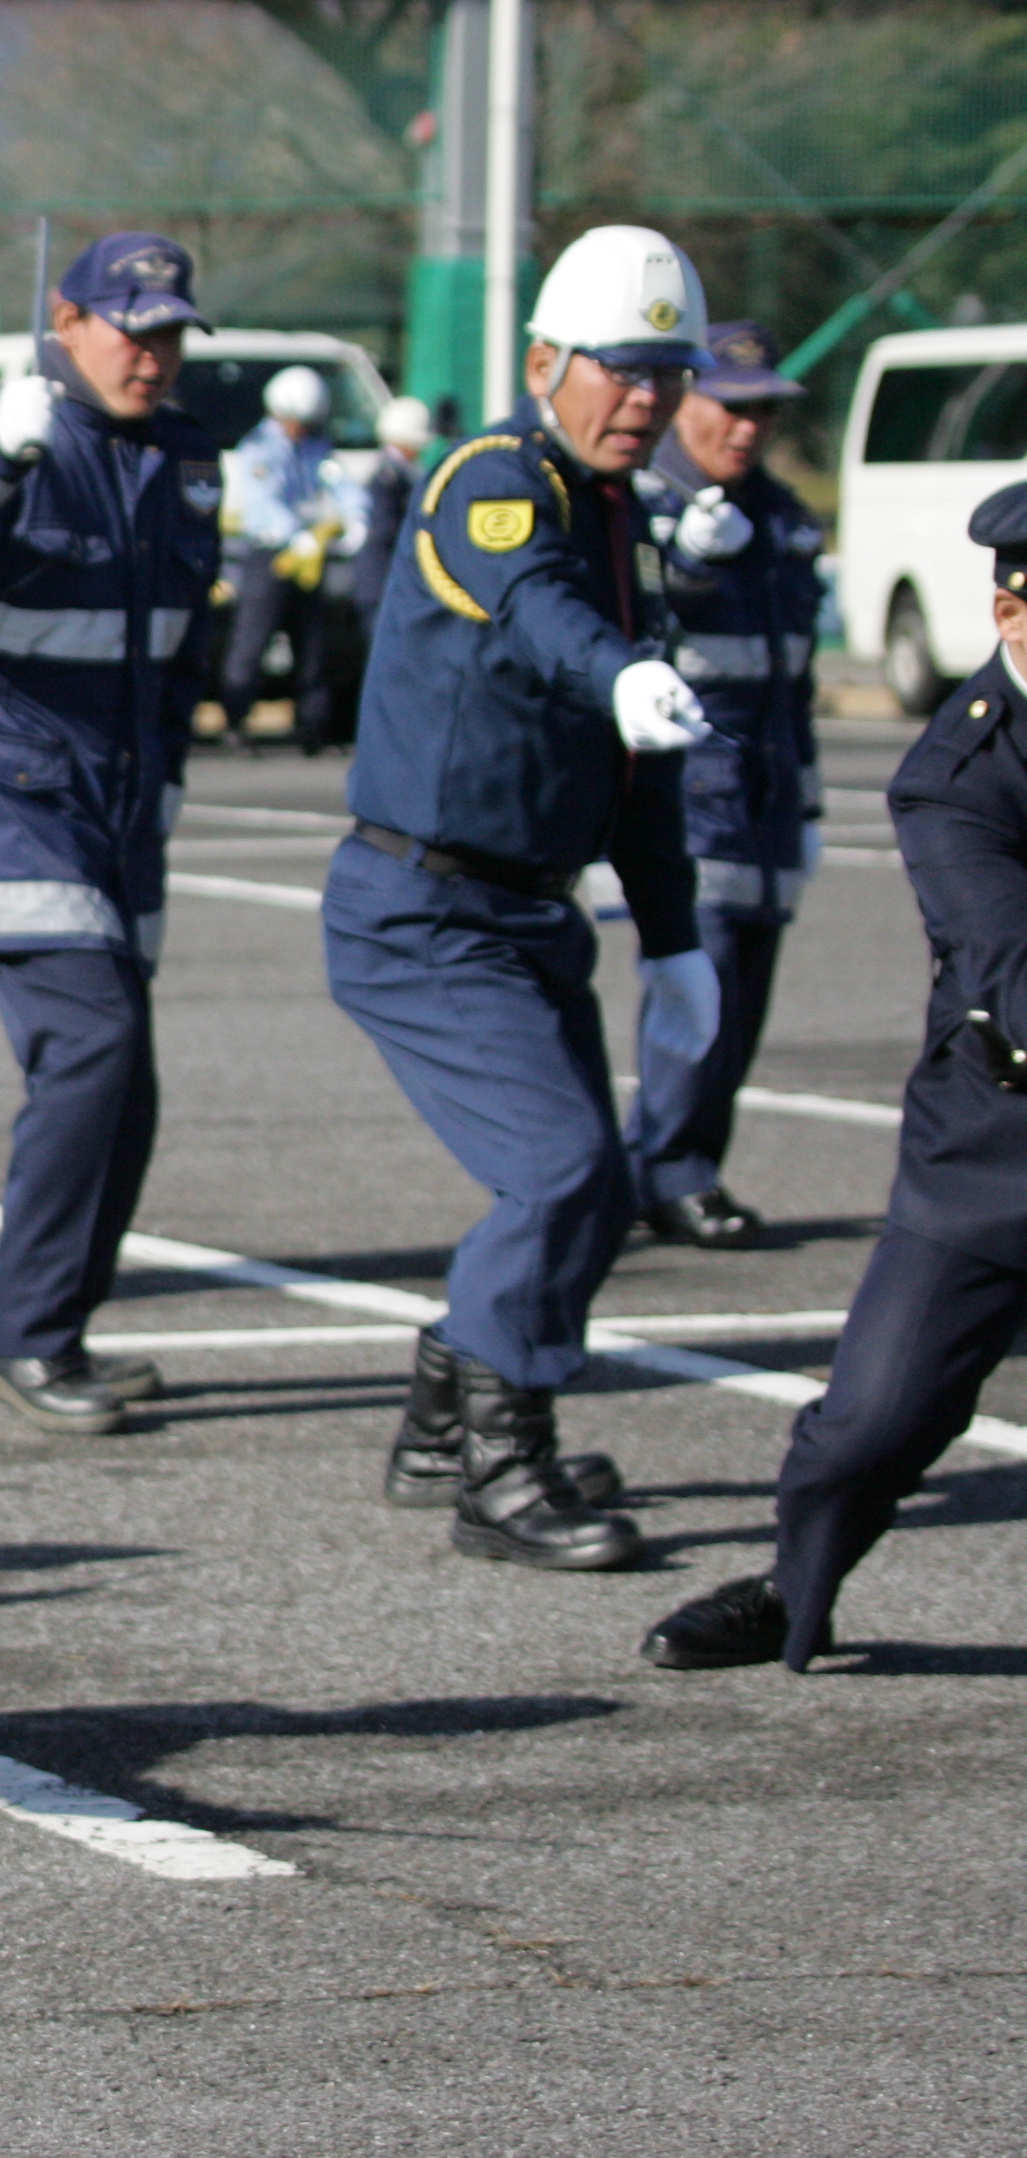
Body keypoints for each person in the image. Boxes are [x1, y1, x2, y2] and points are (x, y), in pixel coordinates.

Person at [324, 224, 721, 1574]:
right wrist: (615, 670)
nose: (648, 398)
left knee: (594, 1189)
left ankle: (452, 1403)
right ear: (546, 361)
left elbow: (643, 759)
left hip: (528, 910)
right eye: (621, 368)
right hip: (422, 907)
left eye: (668, 372)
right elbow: (532, 602)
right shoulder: (493, 481)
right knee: (560, 1170)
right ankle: (500, 1466)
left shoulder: (620, 520)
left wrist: (674, 943)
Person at [642, 479, 1027, 1671]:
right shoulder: (956, 775)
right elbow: (1011, 968)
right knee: (873, 1421)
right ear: (1017, 617)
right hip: (998, 1145)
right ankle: (792, 1586)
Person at [0, 233, 223, 1438]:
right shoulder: (2, 436)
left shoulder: (182, 457)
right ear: (62, 319)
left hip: (114, 807)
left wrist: (162, 788)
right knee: (94, 1040)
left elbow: (170, 654)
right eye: (131, 327)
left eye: (171, 331)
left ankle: (53, 1326)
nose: (153, 353)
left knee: (129, 1080)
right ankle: (19, 1334)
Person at [623, 321, 829, 1249]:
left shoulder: (783, 516)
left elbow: (795, 680)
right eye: (729, 409)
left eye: (761, 414)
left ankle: (687, 1164)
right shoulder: (644, 504)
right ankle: (666, 1169)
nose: (746, 431)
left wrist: (812, 799)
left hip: (769, 797)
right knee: (696, 1001)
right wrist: (691, 561)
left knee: (742, 1008)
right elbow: (632, 626)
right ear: (687, 401)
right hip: (692, 801)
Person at [218, 365, 356, 754]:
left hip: (309, 556)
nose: (302, 429)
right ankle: (235, 722)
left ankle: (313, 728)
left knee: (313, 643)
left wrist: (356, 516)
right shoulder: (259, 448)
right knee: (252, 639)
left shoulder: (315, 444)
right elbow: (265, 503)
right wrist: (296, 537)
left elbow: (337, 481)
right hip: (271, 554)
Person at [331, 394, 434, 751]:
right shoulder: (389, 478)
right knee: (384, 663)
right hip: (381, 586)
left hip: (385, 585)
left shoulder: (401, 474)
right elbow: (388, 537)